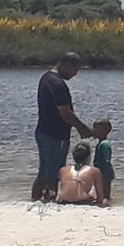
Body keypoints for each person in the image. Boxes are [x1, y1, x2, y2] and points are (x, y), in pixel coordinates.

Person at [33, 52, 93, 202]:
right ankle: (49, 199)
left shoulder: (46, 78)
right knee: (54, 172)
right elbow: (65, 112)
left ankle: (35, 199)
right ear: (67, 65)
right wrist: (82, 128)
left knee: (44, 170)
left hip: (43, 131)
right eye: (75, 70)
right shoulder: (57, 84)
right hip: (55, 134)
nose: (75, 74)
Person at [93, 119, 115, 203]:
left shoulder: (104, 144)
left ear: (105, 130)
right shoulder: (102, 143)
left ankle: (105, 201)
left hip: (104, 171)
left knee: (104, 189)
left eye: (96, 129)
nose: (93, 131)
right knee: (103, 189)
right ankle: (104, 200)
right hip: (103, 170)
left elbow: (106, 159)